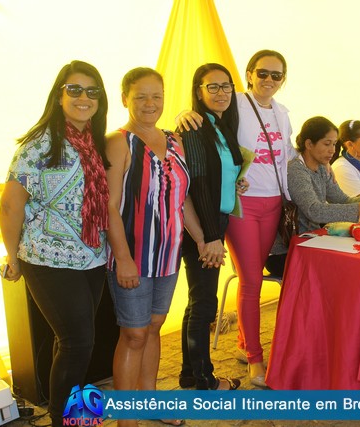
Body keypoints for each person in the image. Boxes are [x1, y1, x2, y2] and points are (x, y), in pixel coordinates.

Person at [0, 60, 110, 427]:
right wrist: (12, 256)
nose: (83, 97)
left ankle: (79, 418)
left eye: (92, 91)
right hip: (47, 258)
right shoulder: (40, 144)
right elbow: (10, 204)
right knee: (77, 342)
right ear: (59, 95)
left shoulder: (94, 141)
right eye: (74, 89)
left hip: (91, 257)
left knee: (77, 343)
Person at [177, 50, 295, 388]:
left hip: (273, 203)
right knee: (251, 280)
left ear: (283, 79)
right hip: (243, 207)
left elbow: (285, 156)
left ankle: (244, 343)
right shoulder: (237, 103)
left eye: (276, 75)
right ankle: (255, 358)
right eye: (263, 73)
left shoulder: (283, 113)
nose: (269, 80)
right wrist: (186, 113)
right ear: (249, 74)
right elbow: (200, 120)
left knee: (252, 278)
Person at [105, 67, 207, 427]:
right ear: (125, 99)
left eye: (157, 96)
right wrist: (123, 259)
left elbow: (182, 198)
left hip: (167, 255)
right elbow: (109, 206)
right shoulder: (118, 142)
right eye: (141, 96)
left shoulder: (175, 141)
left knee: (153, 327)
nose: (150, 103)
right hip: (132, 255)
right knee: (133, 334)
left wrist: (200, 237)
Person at [177, 63, 246, 391]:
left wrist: (234, 182)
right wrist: (211, 237)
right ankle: (206, 380)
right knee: (204, 304)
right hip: (203, 224)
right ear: (199, 91)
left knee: (198, 300)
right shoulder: (194, 127)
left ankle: (190, 374)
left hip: (215, 219)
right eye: (213, 87)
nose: (221, 93)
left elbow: (219, 172)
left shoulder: (221, 125)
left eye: (226, 86)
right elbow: (199, 183)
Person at [288, 116, 360, 233]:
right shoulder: (296, 170)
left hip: (316, 235)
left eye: (334, 144)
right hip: (298, 238)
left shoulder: (322, 168)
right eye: (327, 144)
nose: (332, 150)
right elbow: (314, 210)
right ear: (309, 144)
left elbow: (341, 200)